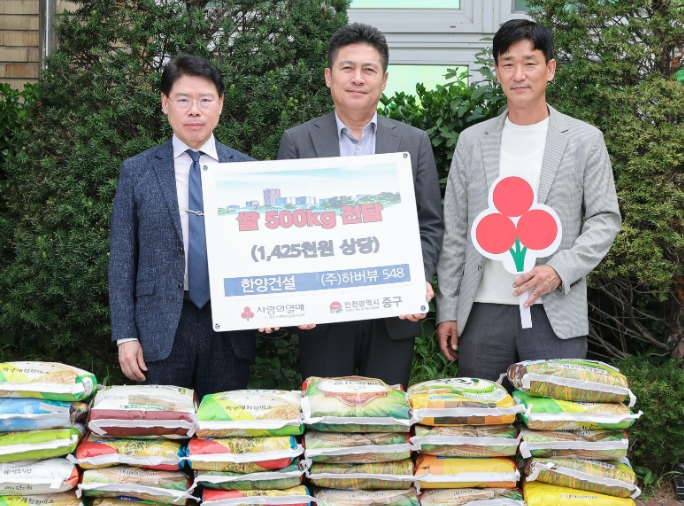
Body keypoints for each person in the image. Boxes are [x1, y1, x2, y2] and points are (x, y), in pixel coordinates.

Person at [435, 19, 621, 382]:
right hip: (483, 311)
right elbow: (455, 230)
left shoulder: (584, 140)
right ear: (497, 71)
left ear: (549, 69)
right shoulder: (472, 141)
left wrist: (559, 270)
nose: (518, 74)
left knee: (554, 415)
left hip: (555, 310)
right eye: (508, 63)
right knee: (484, 413)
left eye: (529, 63)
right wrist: (448, 310)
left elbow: (604, 220)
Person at [276, 23, 444, 389]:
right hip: (322, 317)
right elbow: (284, 229)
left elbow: (429, 223)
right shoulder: (298, 141)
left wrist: (418, 279)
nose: (357, 78)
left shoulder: (413, 142)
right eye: (347, 67)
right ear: (329, 77)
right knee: (326, 413)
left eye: (368, 69)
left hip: (393, 314)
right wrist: (294, 297)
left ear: (383, 80)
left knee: (386, 412)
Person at [109, 55, 256, 399]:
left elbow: (261, 252)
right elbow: (122, 259)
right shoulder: (137, 171)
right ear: (165, 103)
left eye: (205, 100)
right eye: (183, 100)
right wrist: (126, 334)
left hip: (230, 327)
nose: (194, 111)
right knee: (162, 427)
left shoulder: (246, 170)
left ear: (220, 104)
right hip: (159, 328)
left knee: (222, 426)